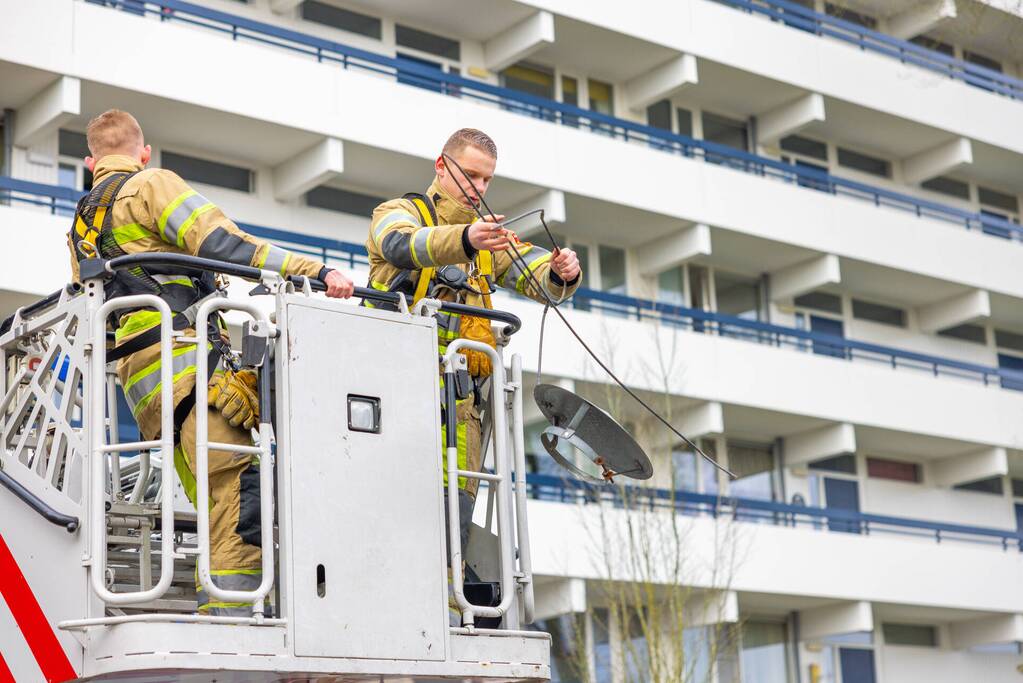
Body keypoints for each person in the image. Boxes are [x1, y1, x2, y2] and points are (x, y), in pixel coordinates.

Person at [67, 109, 354, 616]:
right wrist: (316, 271)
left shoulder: (81, 224)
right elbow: (222, 244)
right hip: (187, 367)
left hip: (147, 392)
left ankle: (220, 607)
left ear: (92, 162)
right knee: (239, 487)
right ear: (144, 152)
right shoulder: (152, 184)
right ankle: (234, 616)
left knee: (210, 499)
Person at [365, 128, 581, 557]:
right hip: (390, 390)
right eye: (471, 176)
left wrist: (562, 272)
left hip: (460, 405)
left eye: (487, 181)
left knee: (453, 516)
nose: (479, 189)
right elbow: (399, 244)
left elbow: (530, 268)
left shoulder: (485, 238)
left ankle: (447, 608)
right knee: (392, 502)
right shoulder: (397, 211)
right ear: (441, 167)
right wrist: (466, 239)